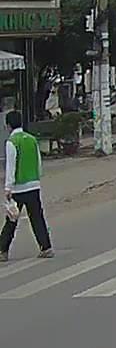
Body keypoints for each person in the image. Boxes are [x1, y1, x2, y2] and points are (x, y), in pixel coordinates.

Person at [1, 110, 53, 261]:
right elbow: (38, 161)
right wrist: (37, 177)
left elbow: (11, 166)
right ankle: (46, 247)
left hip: (19, 187)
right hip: (33, 185)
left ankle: (2, 250)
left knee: (11, 219)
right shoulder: (32, 139)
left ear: (8, 125)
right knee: (37, 217)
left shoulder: (12, 142)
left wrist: (8, 187)